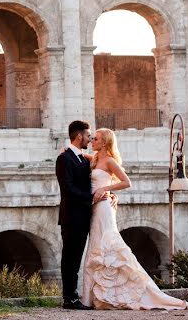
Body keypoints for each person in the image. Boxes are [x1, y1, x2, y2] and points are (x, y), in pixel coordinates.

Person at [80, 128, 188, 310]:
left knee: (106, 248)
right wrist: (69, 151)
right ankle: (93, 298)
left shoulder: (110, 161)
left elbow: (127, 182)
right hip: (96, 208)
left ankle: (102, 297)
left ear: (104, 143)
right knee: (95, 250)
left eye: (95, 139)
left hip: (103, 207)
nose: (91, 141)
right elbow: (81, 157)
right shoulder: (95, 159)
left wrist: (106, 189)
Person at [55, 120, 108, 310]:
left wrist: (106, 192)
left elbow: (97, 170)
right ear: (79, 136)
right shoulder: (64, 159)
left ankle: (73, 297)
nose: (90, 139)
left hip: (83, 216)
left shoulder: (79, 157)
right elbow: (67, 188)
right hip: (71, 217)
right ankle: (69, 298)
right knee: (70, 258)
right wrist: (92, 197)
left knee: (76, 257)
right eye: (88, 136)